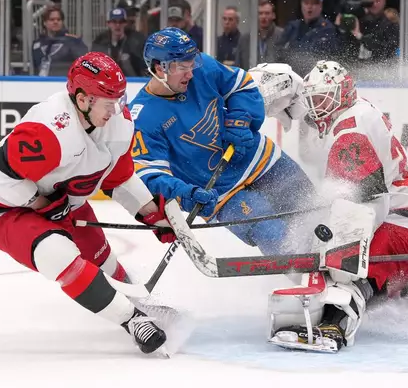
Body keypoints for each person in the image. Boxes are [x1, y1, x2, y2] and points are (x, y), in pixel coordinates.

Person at [249, 61, 408, 353]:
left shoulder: (350, 135)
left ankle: (333, 327)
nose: (317, 107)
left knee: (346, 273)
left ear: (341, 93)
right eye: (314, 99)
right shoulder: (358, 108)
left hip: (403, 227)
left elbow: (369, 206)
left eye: (322, 99)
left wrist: (334, 246)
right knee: (379, 282)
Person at [0, 52, 174, 355]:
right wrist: (39, 201)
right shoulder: (49, 132)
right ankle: (133, 321)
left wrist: (152, 215)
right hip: (10, 211)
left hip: (65, 202)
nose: (116, 111)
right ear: (82, 100)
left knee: (104, 261)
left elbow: (119, 179)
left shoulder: (117, 123)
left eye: (118, 101)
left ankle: (139, 304)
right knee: (58, 255)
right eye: (108, 103)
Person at [129, 27, 316, 256]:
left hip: (260, 160)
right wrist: (185, 193)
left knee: (313, 210)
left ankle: (348, 268)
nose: (190, 73)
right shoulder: (143, 118)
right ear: (160, 67)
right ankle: (305, 279)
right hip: (221, 194)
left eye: (192, 63)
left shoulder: (202, 68)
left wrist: (240, 118)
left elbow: (243, 86)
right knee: (273, 234)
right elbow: (151, 175)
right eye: (182, 67)